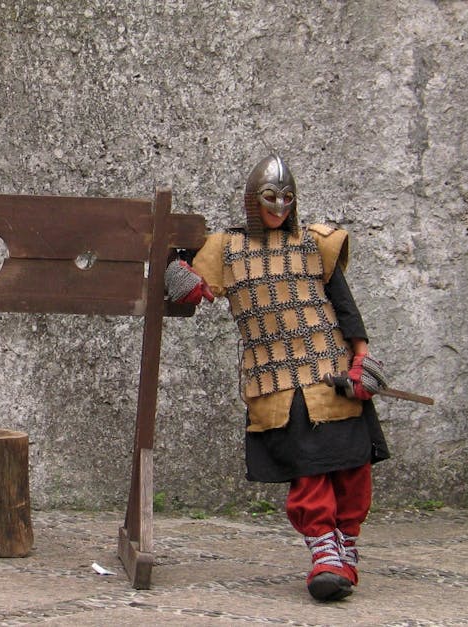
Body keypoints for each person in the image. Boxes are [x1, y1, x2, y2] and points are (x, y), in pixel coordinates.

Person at [165, 155, 390, 602]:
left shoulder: (315, 243)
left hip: (333, 372)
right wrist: (180, 276)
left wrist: (363, 359)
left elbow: (344, 306)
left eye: (288, 198)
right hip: (278, 382)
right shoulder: (227, 248)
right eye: (271, 197)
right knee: (309, 471)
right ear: (254, 200)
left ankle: (345, 549)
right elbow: (175, 267)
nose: (281, 206)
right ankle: (324, 554)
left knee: (351, 468)